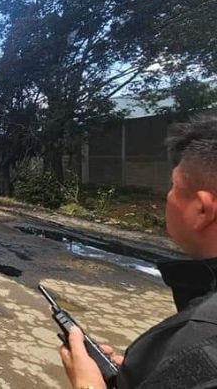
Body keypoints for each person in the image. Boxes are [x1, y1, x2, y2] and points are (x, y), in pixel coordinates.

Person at [59, 117, 217, 389]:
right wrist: (138, 374)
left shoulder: (201, 343)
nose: (168, 196)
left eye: (174, 186)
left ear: (202, 210)